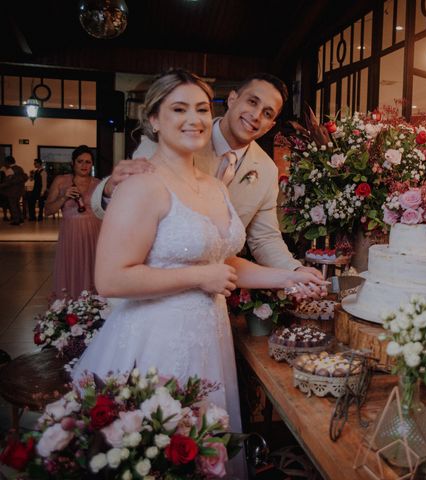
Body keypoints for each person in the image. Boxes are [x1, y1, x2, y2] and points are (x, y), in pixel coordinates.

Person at [72, 70, 325, 478]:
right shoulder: (142, 177)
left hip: (209, 336)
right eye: (179, 109)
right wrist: (200, 278)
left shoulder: (215, 186)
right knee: (153, 455)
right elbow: (112, 278)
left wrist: (291, 276)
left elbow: (226, 258)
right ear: (153, 120)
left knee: (201, 449)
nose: (194, 119)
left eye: (201, 109)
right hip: (155, 336)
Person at [91, 72, 321, 280]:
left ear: (270, 126)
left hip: (216, 290)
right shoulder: (177, 137)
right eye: (252, 102)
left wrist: (294, 271)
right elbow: (127, 201)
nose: (256, 115)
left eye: (267, 113)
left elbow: (264, 238)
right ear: (232, 99)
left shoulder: (266, 170)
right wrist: (112, 188)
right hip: (148, 284)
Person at [45, 146, 101, 299]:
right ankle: (68, 309)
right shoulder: (61, 181)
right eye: (80, 161)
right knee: (71, 268)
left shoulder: (98, 184)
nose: (84, 165)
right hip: (70, 234)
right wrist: (63, 197)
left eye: (88, 162)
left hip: (93, 234)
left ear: (92, 165)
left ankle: (91, 310)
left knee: (91, 269)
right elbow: (48, 210)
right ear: (73, 163)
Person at [0, 156, 27, 226]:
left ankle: (16, 220)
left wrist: (1, 186)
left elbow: (8, 182)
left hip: (12, 191)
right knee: (17, 205)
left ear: (8, 162)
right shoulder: (20, 168)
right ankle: (21, 219)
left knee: (13, 205)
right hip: (20, 190)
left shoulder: (10, 170)